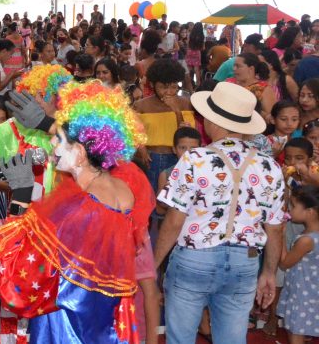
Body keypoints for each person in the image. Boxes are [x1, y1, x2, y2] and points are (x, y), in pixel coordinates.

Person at [0, 80, 153, 344]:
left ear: (79, 152)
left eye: (58, 139)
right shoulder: (125, 186)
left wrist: (20, 193)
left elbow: (20, 281)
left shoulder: (75, 208)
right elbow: (102, 152)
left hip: (71, 324)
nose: (51, 143)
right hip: (108, 321)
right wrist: (48, 123)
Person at [155, 81, 285, 344]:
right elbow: (275, 227)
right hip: (244, 262)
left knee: (179, 338)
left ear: (212, 121)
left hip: (194, 259)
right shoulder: (270, 166)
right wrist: (269, 272)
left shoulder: (195, 159)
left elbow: (174, 220)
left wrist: (154, 263)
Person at [134, 58, 196, 192]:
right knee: (151, 196)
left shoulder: (186, 103)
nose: (168, 92)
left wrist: (177, 111)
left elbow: (186, 133)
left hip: (178, 157)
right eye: (163, 87)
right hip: (151, 157)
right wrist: (142, 149)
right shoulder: (141, 105)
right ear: (152, 84)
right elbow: (134, 131)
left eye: (173, 87)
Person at [277, 185, 319, 344]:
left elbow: (285, 263)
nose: (290, 209)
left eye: (293, 206)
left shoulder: (306, 240)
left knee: (296, 331)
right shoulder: (311, 234)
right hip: (311, 291)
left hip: (302, 293)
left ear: (310, 212)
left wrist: (280, 235)